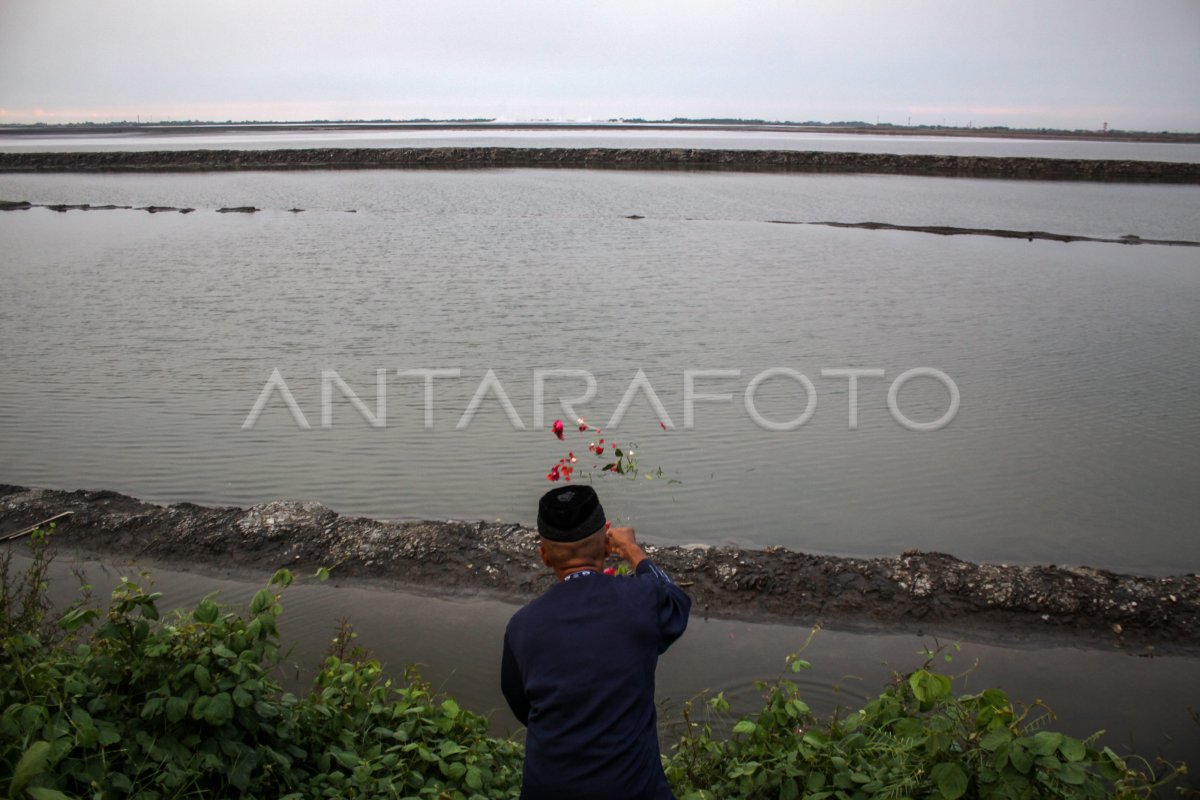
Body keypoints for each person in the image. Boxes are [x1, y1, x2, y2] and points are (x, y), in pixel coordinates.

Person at [500, 485, 691, 800]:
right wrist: (632, 550)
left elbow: (522, 706)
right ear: (606, 545)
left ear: (544, 555)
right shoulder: (639, 600)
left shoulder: (522, 627)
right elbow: (677, 602)